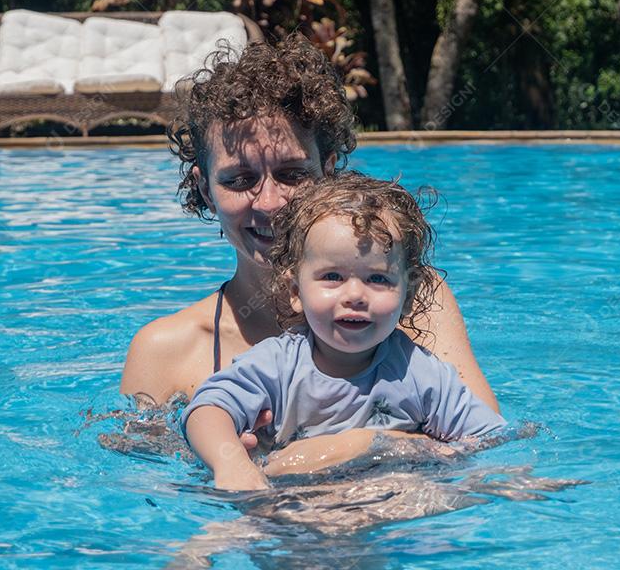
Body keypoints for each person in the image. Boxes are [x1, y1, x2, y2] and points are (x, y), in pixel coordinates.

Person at [119, 34, 497, 472]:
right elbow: (138, 491)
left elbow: (486, 453)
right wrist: (229, 462)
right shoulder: (165, 350)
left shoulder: (417, 301)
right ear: (205, 189)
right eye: (239, 180)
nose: (269, 203)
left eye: (292, 173)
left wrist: (350, 447)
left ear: (330, 169)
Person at [184, 173, 506, 490]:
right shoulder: (278, 365)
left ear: (408, 296)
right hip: (293, 512)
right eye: (332, 277)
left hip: (391, 513)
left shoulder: (420, 374)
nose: (354, 295)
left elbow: (490, 439)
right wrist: (231, 464)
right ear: (295, 291)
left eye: (377, 279)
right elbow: (207, 409)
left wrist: (394, 448)